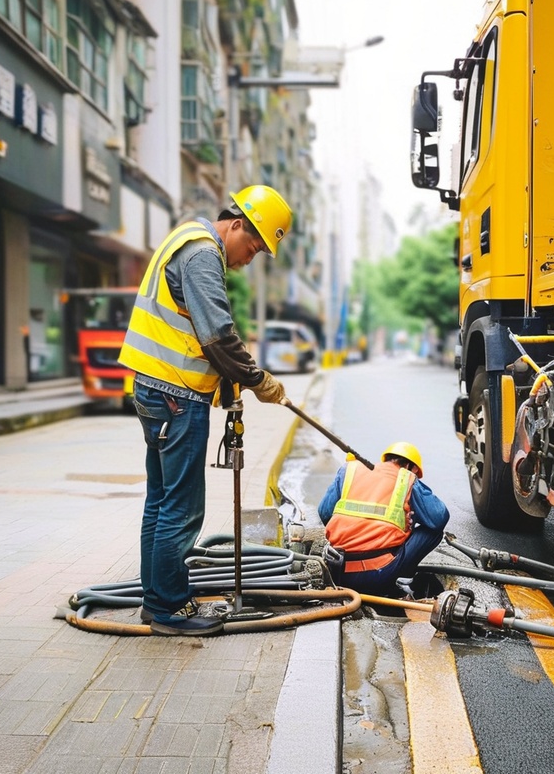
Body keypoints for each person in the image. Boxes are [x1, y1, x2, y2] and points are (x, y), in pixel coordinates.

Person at [119, 185, 292, 637]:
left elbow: (199, 332)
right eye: (252, 246)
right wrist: (259, 380)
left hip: (157, 391)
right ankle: (169, 610)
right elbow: (217, 334)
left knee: (160, 502)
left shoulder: (188, 240)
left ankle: (156, 601)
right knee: (181, 508)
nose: (249, 258)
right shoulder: (201, 254)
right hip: (176, 396)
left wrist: (234, 385)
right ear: (236, 224)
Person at [317, 441, 450, 597]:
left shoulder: (351, 469)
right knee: (434, 531)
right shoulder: (405, 479)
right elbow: (439, 517)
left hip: (337, 570)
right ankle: (402, 580)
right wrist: (408, 526)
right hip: (377, 575)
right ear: (409, 467)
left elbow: (325, 512)